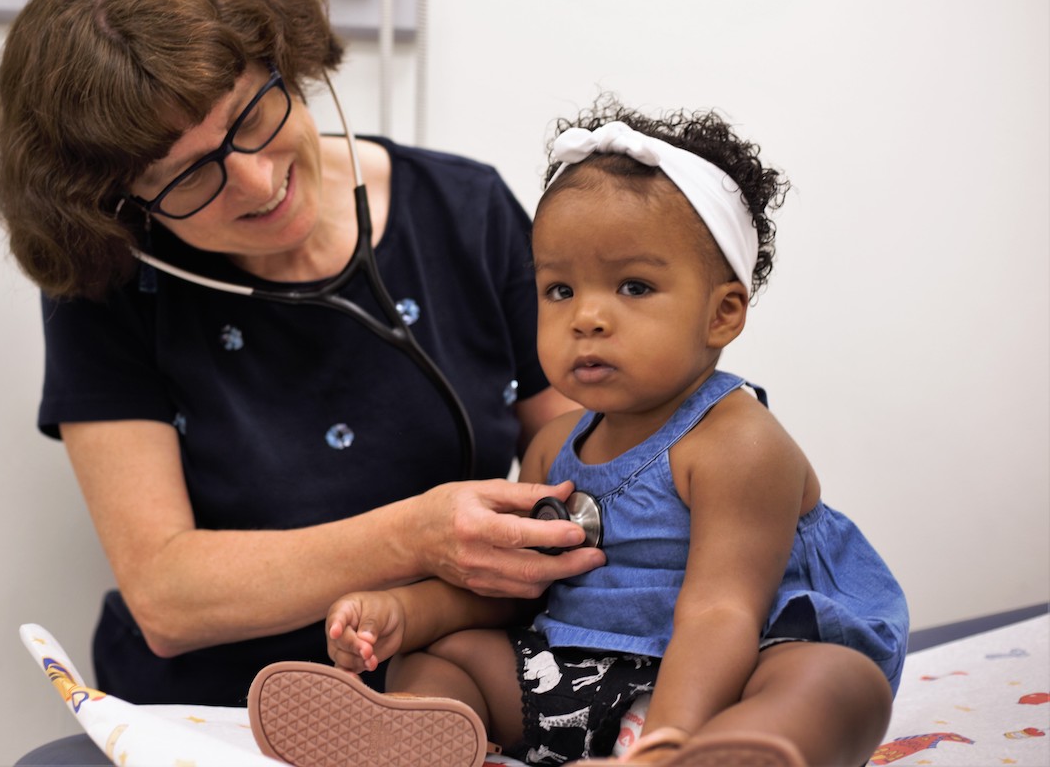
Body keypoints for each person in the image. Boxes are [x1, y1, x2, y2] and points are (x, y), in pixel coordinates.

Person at [0, 0, 606, 727]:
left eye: (249, 115)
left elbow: (588, 458)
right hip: (214, 717)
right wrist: (417, 535)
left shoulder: (465, 213)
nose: (254, 179)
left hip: (455, 691)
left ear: (287, 59)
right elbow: (166, 596)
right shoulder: (108, 283)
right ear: (120, 208)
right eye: (184, 177)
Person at [247, 101, 909, 767]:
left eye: (634, 286)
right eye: (560, 290)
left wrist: (665, 737)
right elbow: (504, 592)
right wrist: (400, 612)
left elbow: (721, 614)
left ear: (722, 314)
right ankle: (412, 735)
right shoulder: (550, 446)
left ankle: (715, 757)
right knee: (444, 655)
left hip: (720, 684)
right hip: (571, 688)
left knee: (837, 681)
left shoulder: (738, 441)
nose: (587, 316)